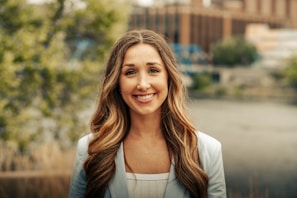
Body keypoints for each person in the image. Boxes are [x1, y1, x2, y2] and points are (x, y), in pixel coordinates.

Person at [69, 29, 226, 198]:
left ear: (168, 77)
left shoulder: (208, 150)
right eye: (130, 72)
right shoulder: (90, 149)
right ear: (117, 83)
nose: (143, 84)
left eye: (153, 70)